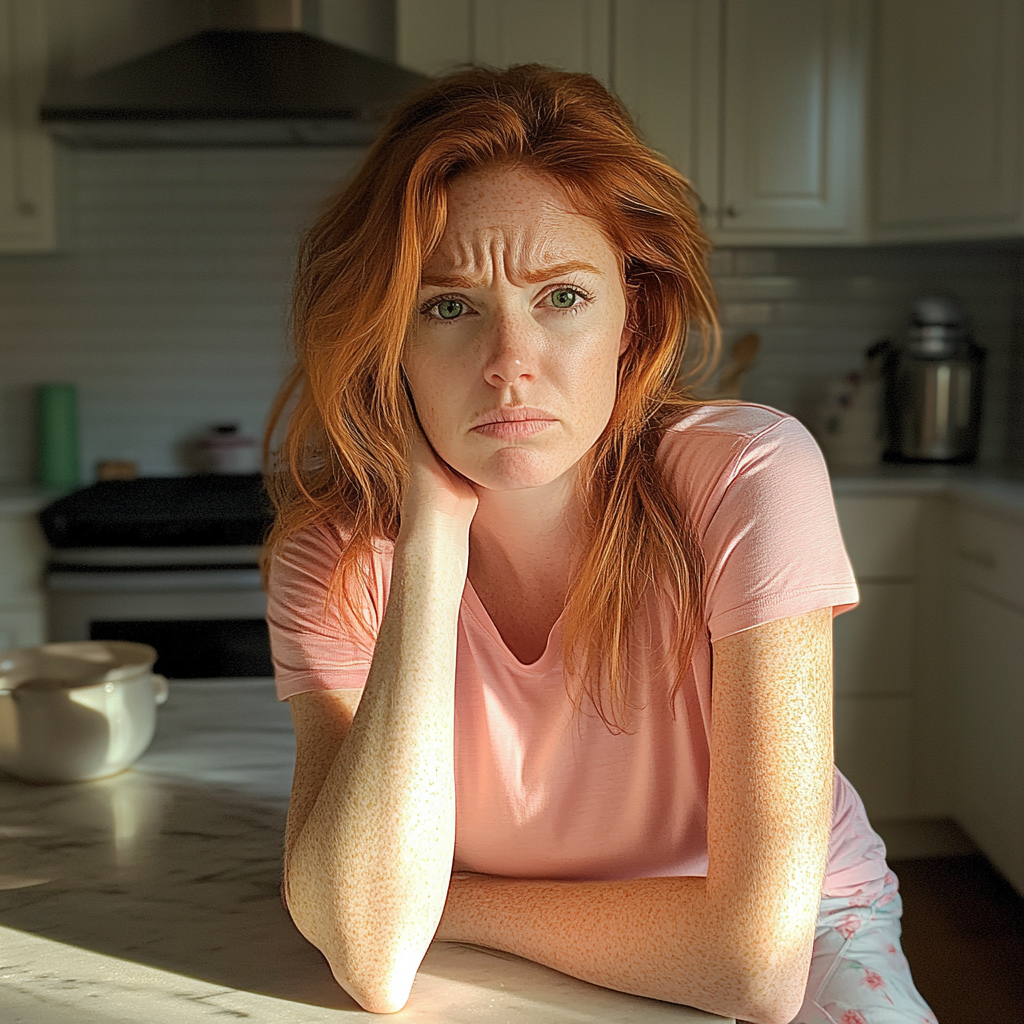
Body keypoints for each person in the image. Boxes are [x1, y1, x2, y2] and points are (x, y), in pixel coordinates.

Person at [264, 65, 937, 1024]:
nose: (509, 366)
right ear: (389, 340)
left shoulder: (749, 477)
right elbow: (373, 962)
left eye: (563, 298)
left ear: (635, 315)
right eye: (447, 307)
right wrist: (429, 546)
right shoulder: (333, 562)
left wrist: (429, 905)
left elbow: (756, 968)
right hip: (479, 958)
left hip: (808, 937)